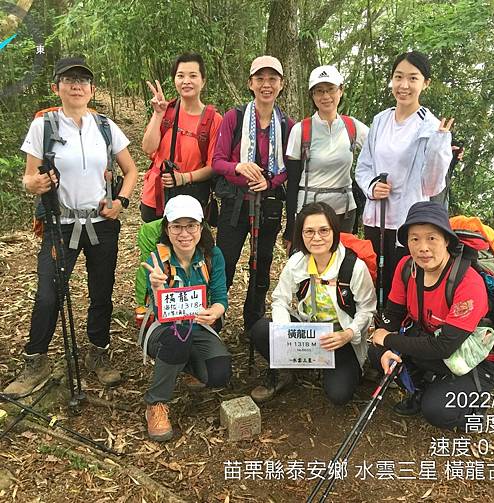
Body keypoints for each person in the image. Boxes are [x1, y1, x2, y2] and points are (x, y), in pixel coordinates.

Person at [3, 57, 138, 397]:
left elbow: (132, 170)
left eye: (83, 80)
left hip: (101, 222)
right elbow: (29, 176)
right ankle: (37, 360)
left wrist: (120, 200)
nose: (76, 85)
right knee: (50, 293)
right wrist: (33, 184)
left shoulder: (106, 126)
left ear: (92, 90)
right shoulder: (44, 126)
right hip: (58, 222)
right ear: (57, 87)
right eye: (69, 79)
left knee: (101, 291)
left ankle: (98, 351)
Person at [370, 201, 494, 430]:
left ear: (447, 240)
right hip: (430, 342)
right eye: (414, 238)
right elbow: (392, 316)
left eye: (432, 238)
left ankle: (474, 409)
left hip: (470, 358)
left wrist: (387, 339)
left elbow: (444, 347)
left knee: (437, 411)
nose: (423, 247)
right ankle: (422, 389)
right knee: (375, 352)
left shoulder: (467, 282)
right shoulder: (406, 268)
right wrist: (384, 347)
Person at [249, 202, 377, 405]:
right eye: (309, 231)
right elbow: (280, 299)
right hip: (306, 333)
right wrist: (285, 332)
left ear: (335, 231)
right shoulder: (297, 261)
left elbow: (367, 309)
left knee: (339, 395)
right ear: (300, 234)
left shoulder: (354, 267)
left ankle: (342, 368)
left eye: (324, 230)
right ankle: (285, 371)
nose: (316, 238)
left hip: (338, 338)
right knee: (261, 330)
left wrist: (348, 334)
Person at [355, 51, 453, 305]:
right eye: (398, 77)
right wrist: (372, 187)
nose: (404, 85)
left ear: (425, 83)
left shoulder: (430, 127)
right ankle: (375, 325)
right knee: (375, 275)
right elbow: (364, 167)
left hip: (408, 220)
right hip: (377, 216)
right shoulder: (380, 120)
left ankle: (398, 333)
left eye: (413, 78)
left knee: (403, 281)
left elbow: (432, 184)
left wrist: (439, 145)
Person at [212, 55, 294, 331]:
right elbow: (218, 161)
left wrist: (270, 182)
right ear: (250, 83)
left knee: (262, 265)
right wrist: (239, 167)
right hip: (235, 203)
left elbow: (289, 169)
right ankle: (215, 320)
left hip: (268, 205)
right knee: (225, 262)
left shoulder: (287, 125)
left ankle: (254, 324)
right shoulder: (233, 118)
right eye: (260, 78)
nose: (266, 85)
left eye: (272, 79)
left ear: (281, 84)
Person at [141, 195, 229, 442]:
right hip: (164, 331)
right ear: (167, 229)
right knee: (178, 340)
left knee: (219, 375)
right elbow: (160, 313)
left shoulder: (212, 255)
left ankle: (180, 366)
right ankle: (155, 403)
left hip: (198, 326)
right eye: (177, 226)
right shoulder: (158, 260)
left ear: (201, 227)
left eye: (191, 225)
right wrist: (157, 288)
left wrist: (216, 311)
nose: (184, 233)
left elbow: (221, 296)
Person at [285, 65, 369, 243]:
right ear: (312, 95)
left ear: (341, 90)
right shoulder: (301, 130)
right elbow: (292, 181)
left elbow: (379, 150)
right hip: (309, 211)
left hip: (344, 212)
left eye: (331, 89)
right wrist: (291, 227)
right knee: (309, 266)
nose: (325, 96)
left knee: (341, 265)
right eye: (319, 91)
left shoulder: (352, 127)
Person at [140, 52, 223, 223]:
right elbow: (148, 148)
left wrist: (184, 178)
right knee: (158, 248)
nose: (186, 81)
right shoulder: (166, 110)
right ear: (174, 80)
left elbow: (213, 166)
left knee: (186, 246)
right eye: (180, 76)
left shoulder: (214, 120)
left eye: (193, 75)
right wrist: (158, 115)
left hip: (191, 199)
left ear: (203, 81)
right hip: (156, 197)